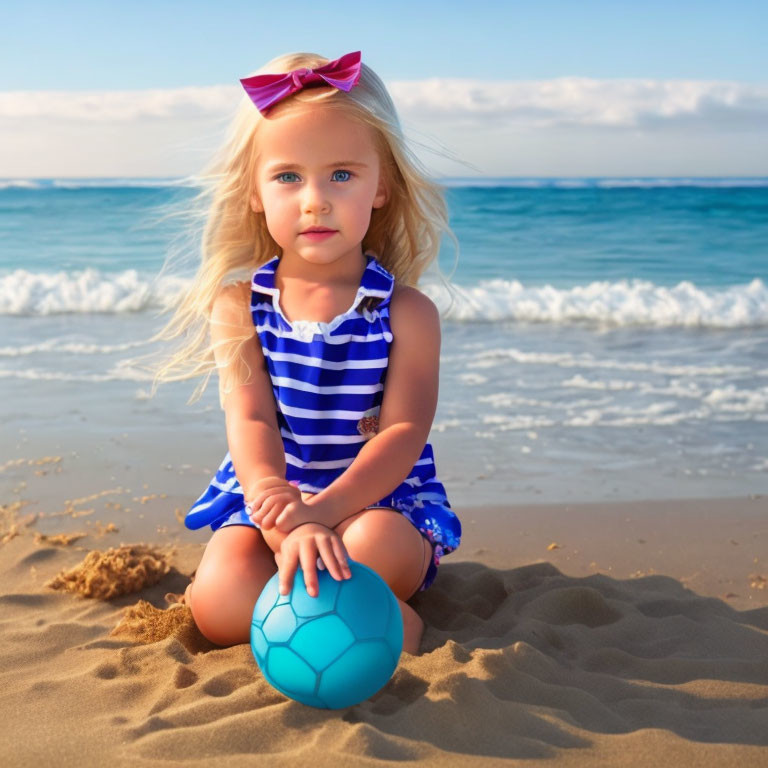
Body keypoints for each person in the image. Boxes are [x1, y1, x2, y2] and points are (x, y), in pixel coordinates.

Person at [149, 50, 462, 655]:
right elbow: (251, 418)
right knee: (218, 605)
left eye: (341, 175)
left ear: (381, 187)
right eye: (288, 176)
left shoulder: (406, 313)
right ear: (254, 193)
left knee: (366, 547)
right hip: (272, 494)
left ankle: (370, 607)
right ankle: (340, 609)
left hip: (374, 500)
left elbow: (402, 431)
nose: (314, 199)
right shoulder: (239, 306)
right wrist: (277, 505)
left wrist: (325, 512)